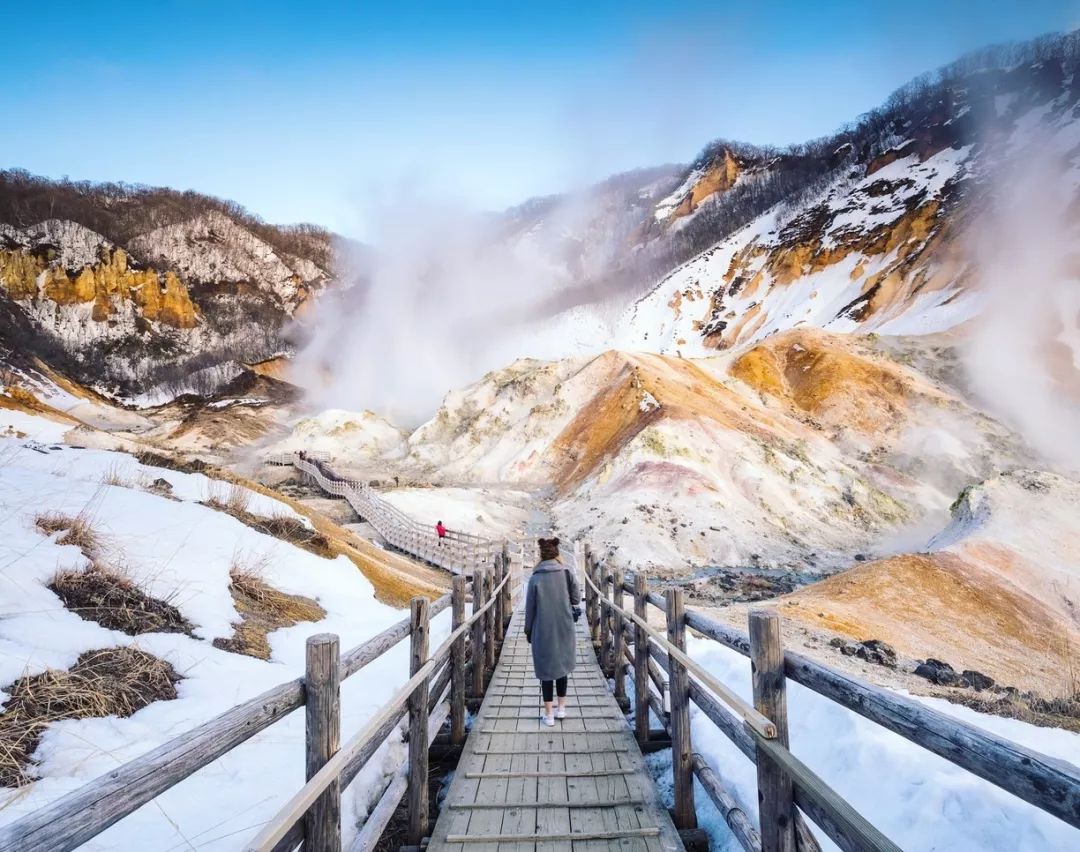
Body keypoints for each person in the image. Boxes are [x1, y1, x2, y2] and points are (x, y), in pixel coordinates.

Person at [524, 536, 580, 727]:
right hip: (564, 626)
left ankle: (548, 715)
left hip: (543, 629)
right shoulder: (567, 573)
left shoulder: (535, 578)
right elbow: (576, 599)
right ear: (557, 553)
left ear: (541, 554)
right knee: (562, 666)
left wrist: (528, 630)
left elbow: (530, 608)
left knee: (546, 670)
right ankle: (562, 709)